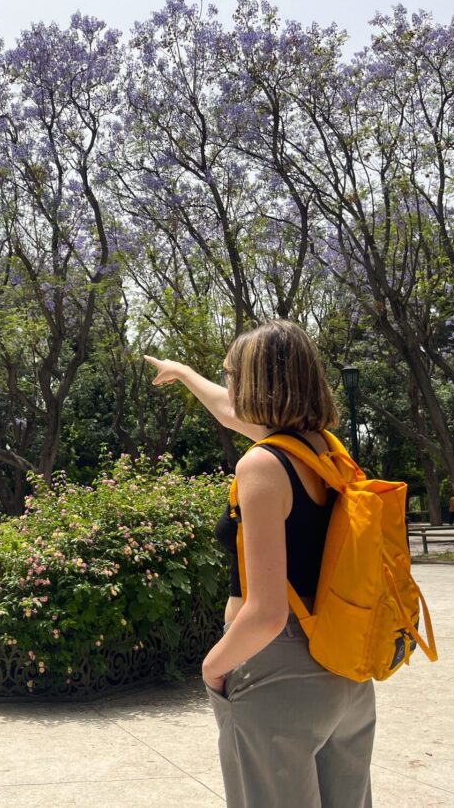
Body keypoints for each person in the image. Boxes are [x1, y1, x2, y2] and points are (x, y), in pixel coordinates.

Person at [144, 319, 376, 808]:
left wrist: (212, 666)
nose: (226, 384)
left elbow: (267, 612)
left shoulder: (262, 465)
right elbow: (230, 413)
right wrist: (183, 373)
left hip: (277, 668)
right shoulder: (326, 452)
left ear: (255, 383)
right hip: (345, 668)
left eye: (230, 374)